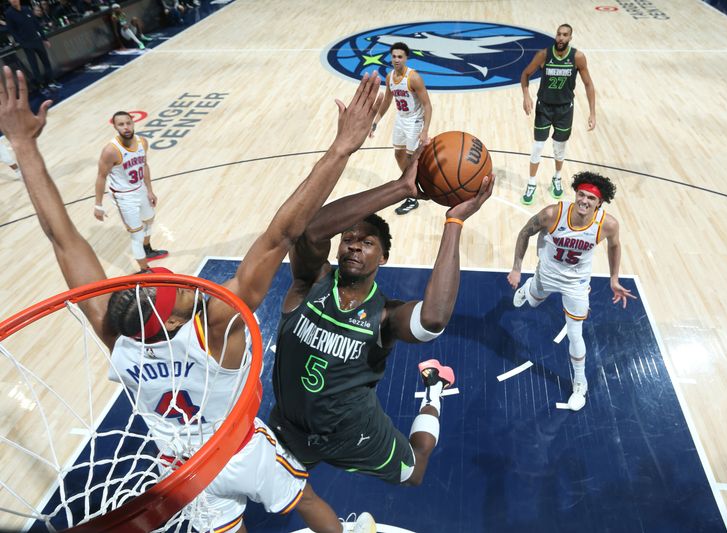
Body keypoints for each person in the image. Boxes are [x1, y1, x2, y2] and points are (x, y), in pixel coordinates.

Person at [0, 65, 385, 533]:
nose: (186, 283)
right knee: (305, 501)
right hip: (239, 446)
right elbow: (280, 233)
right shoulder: (217, 327)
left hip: (182, 470)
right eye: (180, 289)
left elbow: (63, 239)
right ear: (179, 319)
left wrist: (23, 147)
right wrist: (342, 147)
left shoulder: (114, 332)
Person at [268, 147, 493, 487]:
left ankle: (433, 392)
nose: (355, 246)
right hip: (290, 425)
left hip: (354, 435)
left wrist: (455, 221)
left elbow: (432, 319)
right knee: (280, 486)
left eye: (367, 242)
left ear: (384, 257)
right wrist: (400, 187)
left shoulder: (385, 314)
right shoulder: (310, 282)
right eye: (348, 239)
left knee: (414, 473)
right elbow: (311, 231)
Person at [506, 171, 635, 411]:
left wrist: (614, 278)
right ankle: (528, 288)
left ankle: (579, 383)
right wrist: (516, 268)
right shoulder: (552, 214)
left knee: (575, 334)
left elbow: (615, 246)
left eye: (591, 198)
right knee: (532, 302)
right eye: (581, 194)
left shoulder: (607, 224)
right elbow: (525, 231)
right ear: (575, 193)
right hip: (547, 274)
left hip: (576, 284)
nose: (584, 201)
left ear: (600, 203)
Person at [519, 24, 595, 205]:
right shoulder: (544, 54)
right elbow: (525, 74)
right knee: (538, 146)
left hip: (564, 109)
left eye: (565, 35)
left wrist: (592, 113)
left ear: (570, 38)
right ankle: (531, 183)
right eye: (559, 34)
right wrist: (526, 96)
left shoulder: (577, 57)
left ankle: (557, 178)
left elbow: (588, 84)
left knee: (559, 148)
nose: (561, 38)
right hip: (544, 107)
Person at [94, 111, 168, 270]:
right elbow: (101, 177)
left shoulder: (142, 142)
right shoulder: (110, 151)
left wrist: (150, 190)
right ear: (115, 127)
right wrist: (98, 205)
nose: (126, 127)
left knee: (149, 219)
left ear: (133, 123)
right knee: (137, 235)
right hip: (124, 197)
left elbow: (144, 165)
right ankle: (144, 270)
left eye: (128, 123)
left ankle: (147, 250)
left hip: (140, 189)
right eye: (121, 124)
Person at [369, 41, 432, 215]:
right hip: (401, 118)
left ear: (406, 58)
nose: (396, 60)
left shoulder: (414, 78)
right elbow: (388, 100)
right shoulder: (390, 77)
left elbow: (427, 105)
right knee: (398, 154)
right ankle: (410, 185)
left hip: (414, 120)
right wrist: (376, 121)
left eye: (400, 57)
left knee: (413, 159)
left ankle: (413, 195)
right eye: (394, 56)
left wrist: (425, 129)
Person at [3, 0, 62, 93]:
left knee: (46, 61)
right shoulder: (9, 13)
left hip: (37, 40)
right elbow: (12, 31)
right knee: (34, 66)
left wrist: (44, 38)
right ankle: (41, 86)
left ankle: (51, 82)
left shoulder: (26, 9)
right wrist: (22, 43)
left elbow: (36, 25)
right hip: (27, 44)